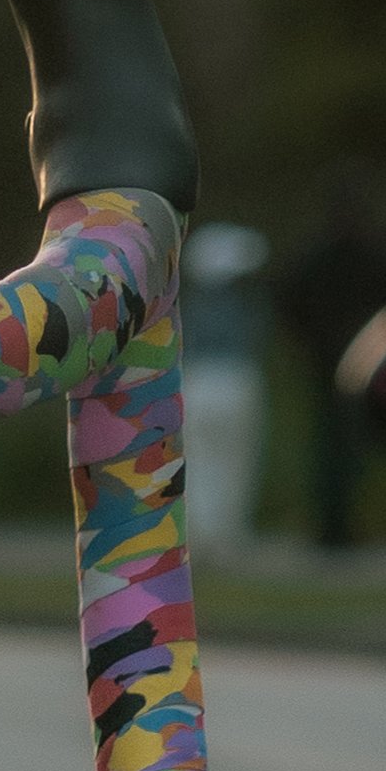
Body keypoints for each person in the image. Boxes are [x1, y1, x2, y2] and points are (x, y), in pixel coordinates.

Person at [276, 165, 386, 551]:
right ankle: (335, 527)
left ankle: (336, 526)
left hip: (341, 362)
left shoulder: (322, 257)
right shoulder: (364, 257)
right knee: (341, 446)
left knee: (338, 445)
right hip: (343, 363)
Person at [178, 221, 271, 553]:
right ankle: (222, 535)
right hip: (233, 380)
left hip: (199, 381)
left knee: (201, 461)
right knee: (232, 461)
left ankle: (205, 534)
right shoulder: (245, 303)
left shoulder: (189, 304)